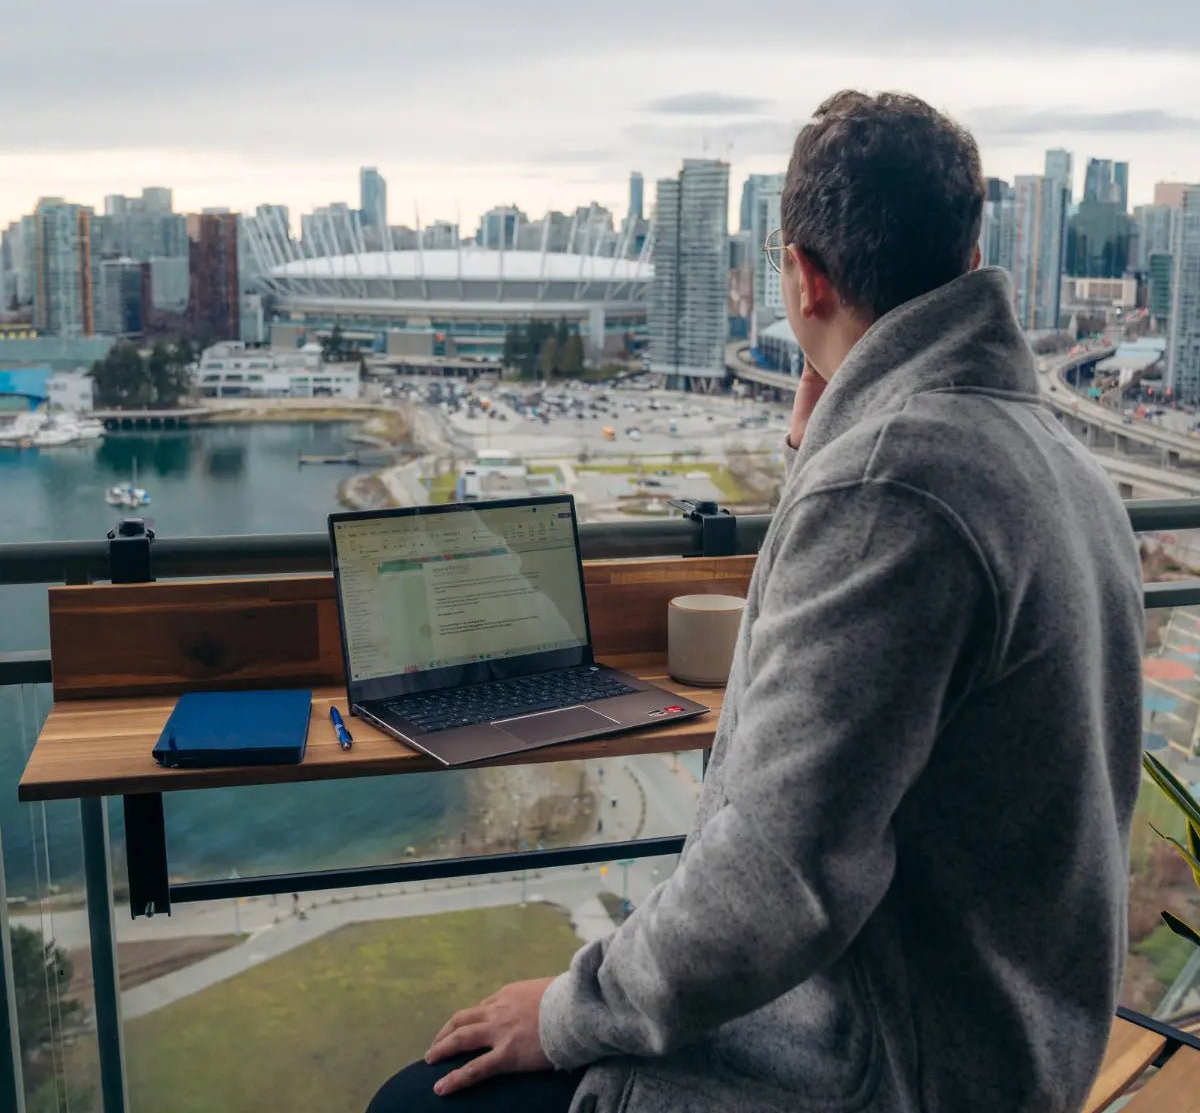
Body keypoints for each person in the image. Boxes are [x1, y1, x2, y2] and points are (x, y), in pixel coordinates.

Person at [365, 91, 1144, 1112]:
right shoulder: (1055, 459)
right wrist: (828, 446)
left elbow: (779, 885)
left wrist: (564, 1010)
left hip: (899, 1072)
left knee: (417, 1100)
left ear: (803, 275)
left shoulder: (895, 484)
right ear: (967, 255)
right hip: (1012, 1036)